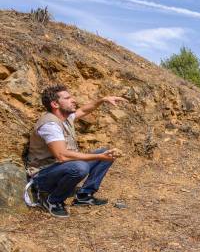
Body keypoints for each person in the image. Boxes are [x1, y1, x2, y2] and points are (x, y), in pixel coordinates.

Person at [26, 85, 127, 218]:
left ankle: (84, 195)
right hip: (43, 175)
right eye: (68, 98)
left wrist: (103, 100)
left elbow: (84, 110)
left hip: (61, 167)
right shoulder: (50, 125)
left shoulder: (66, 118)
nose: (73, 100)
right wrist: (98, 156)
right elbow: (61, 156)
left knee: (107, 152)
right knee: (81, 167)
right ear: (55, 104)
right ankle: (53, 200)